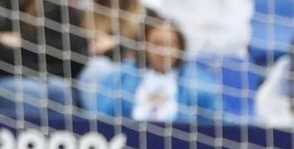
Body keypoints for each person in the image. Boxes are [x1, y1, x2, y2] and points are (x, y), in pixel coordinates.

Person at [83, 16, 222, 121]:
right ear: (145, 46)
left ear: (181, 47)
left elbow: (219, 124)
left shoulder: (200, 84)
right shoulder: (121, 77)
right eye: (157, 44)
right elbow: (101, 117)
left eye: (170, 44)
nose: (163, 51)